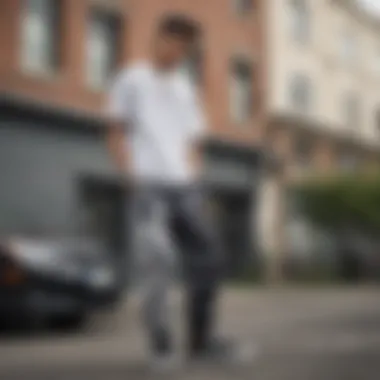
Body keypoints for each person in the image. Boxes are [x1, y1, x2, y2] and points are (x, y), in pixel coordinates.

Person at [106, 14, 249, 370]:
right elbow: (115, 130)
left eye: (185, 48)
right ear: (158, 39)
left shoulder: (185, 87)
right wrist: (130, 175)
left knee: (209, 258)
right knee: (158, 262)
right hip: (149, 186)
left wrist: (194, 175)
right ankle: (161, 344)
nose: (177, 52)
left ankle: (201, 342)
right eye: (172, 43)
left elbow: (194, 139)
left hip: (184, 187)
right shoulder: (132, 78)